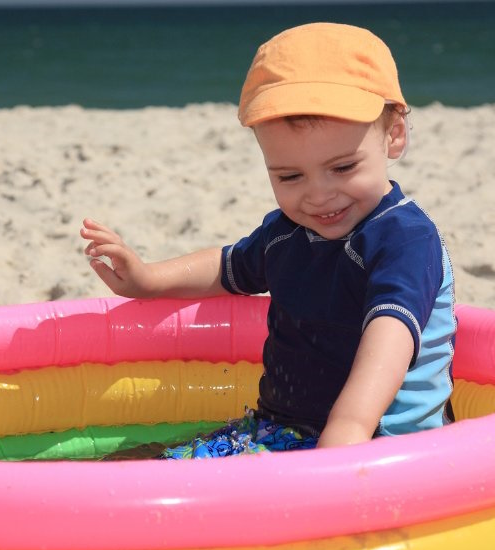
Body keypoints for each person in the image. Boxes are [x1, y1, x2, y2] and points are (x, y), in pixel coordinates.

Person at [81, 22, 457, 457]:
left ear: (393, 135)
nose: (318, 195)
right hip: (283, 432)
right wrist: (148, 279)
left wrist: (341, 444)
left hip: (377, 447)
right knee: (130, 463)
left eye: (342, 168)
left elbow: (388, 344)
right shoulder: (288, 234)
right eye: (290, 176)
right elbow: (228, 269)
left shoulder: (404, 240)